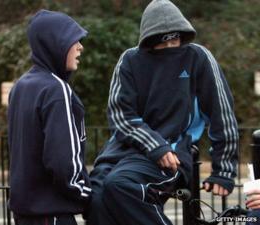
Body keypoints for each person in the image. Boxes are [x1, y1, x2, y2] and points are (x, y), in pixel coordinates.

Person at [86, 1, 239, 225]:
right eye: (163, 42)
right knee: (96, 197)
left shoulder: (198, 57)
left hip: (174, 152)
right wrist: (154, 145)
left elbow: (222, 114)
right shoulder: (129, 60)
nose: (171, 47)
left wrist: (223, 169)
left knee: (121, 185)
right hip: (124, 151)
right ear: (149, 41)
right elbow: (121, 115)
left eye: (176, 39)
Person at [7, 9, 91, 225]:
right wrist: (87, 194)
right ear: (57, 44)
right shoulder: (56, 89)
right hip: (52, 213)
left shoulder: (21, 86)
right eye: (74, 40)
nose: (80, 47)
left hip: (25, 213)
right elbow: (63, 162)